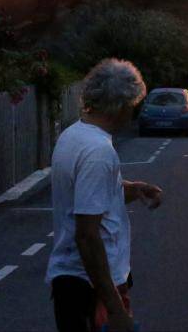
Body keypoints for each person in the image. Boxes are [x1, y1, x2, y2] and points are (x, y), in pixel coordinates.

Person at [46, 58, 163, 332]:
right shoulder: (98, 152)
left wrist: (134, 189)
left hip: (74, 283)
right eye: (132, 106)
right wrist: (115, 309)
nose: (133, 113)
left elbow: (92, 196)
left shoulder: (73, 135)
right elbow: (87, 234)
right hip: (88, 287)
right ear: (120, 106)